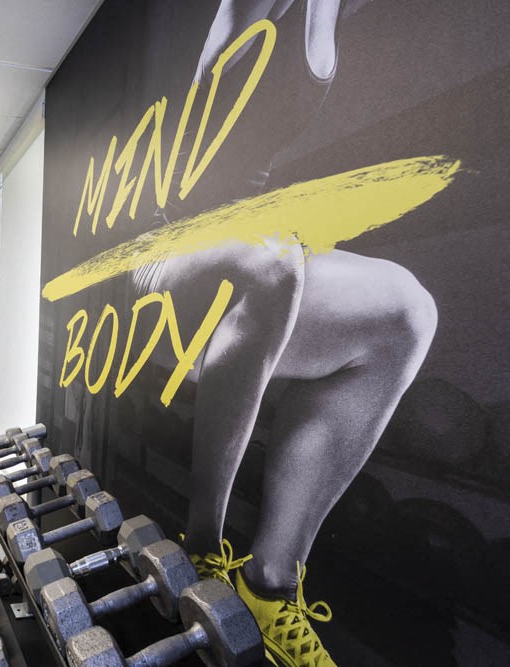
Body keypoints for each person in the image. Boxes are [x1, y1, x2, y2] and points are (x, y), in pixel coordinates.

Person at [133, 1, 438, 664]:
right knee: (274, 259)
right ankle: (204, 548)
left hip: (244, 251)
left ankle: (271, 581)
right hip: (160, 254)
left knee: (408, 310)